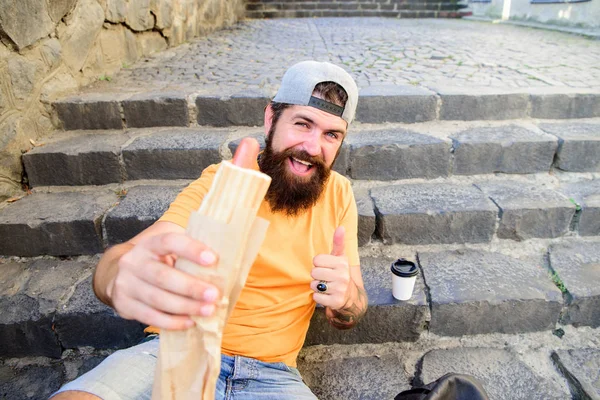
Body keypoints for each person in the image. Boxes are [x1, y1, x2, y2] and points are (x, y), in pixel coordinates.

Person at [52, 60, 367, 399]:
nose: (313, 147)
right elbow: (121, 261)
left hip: (273, 377)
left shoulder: (339, 194)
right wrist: (118, 277)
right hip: (176, 348)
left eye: (331, 134)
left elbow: (353, 305)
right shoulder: (221, 180)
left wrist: (346, 298)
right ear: (270, 119)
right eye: (303, 124)